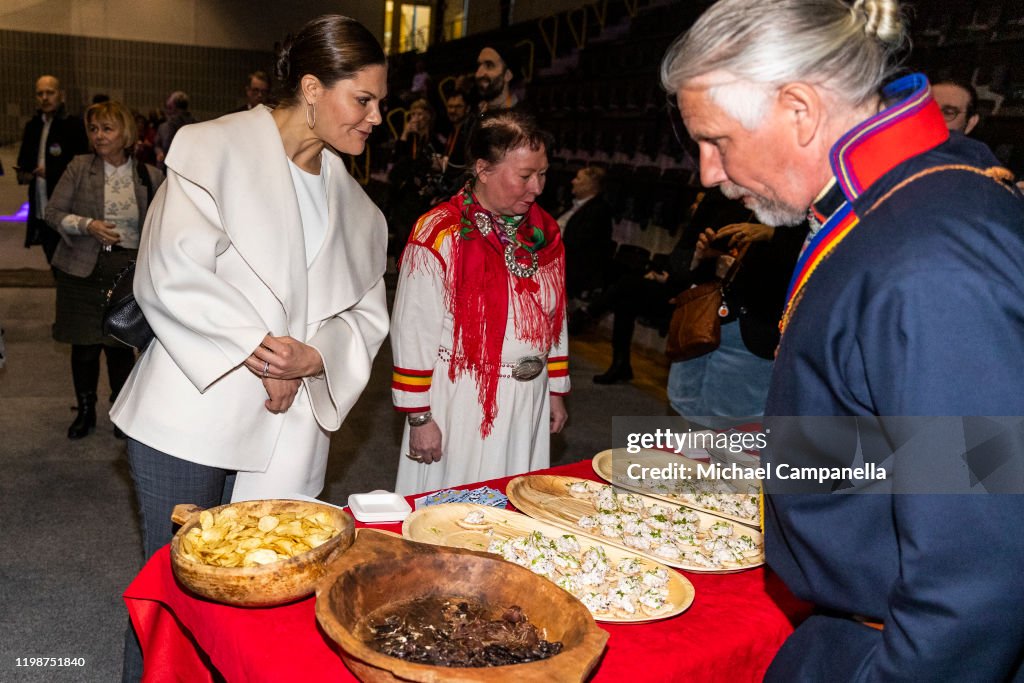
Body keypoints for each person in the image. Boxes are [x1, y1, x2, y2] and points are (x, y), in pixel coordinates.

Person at [661, 0, 1024, 680]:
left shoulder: (929, 260)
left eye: (717, 141)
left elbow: (978, 578)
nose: (708, 171)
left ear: (798, 108)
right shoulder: (895, 202)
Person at [112, 13, 390, 553]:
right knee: (177, 593)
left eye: (379, 102)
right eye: (363, 100)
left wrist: (314, 358)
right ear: (312, 89)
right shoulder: (213, 148)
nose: (377, 117)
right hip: (193, 409)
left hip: (290, 430)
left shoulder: (361, 210)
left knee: (262, 585)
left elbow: (366, 315)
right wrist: (262, 354)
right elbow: (170, 270)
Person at [391, 109, 569, 495]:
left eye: (542, 174)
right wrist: (419, 417)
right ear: (483, 169)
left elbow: (554, 318)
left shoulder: (544, 232)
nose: (536, 187)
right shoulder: (440, 232)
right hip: (463, 398)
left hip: (529, 397)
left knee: (518, 500)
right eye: (524, 176)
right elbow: (412, 328)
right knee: (455, 507)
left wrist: (555, 389)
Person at [44, 101, 164, 440]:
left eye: (107, 128)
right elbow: (52, 213)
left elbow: (160, 227)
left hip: (125, 270)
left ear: (124, 133)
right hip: (80, 268)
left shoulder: (149, 175)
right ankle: (84, 410)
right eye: (94, 129)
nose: (99, 136)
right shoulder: (79, 167)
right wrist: (88, 224)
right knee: (83, 347)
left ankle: (120, 411)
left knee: (119, 346)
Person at [15, 75, 89, 263]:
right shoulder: (32, 126)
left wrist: (52, 173)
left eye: (50, 92)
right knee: (51, 257)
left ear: (61, 95)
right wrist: (24, 172)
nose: (45, 98)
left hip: (68, 208)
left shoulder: (73, 126)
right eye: (40, 93)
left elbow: (83, 167)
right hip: (41, 206)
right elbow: (24, 159)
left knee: (68, 261)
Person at [559, 166, 614, 302]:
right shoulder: (571, 205)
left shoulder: (599, 211)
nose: (573, 181)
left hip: (572, 268)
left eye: (578, 178)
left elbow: (581, 245)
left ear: (591, 185)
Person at [153, 90, 195, 169]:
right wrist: (159, 152)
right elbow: (158, 145)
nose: (167, 111)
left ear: (173, 107)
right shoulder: (197, 124)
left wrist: (161, 153)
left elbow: (164, 145)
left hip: (170, 167)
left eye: (169, 107)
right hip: (189, 166)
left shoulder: (167, 125)